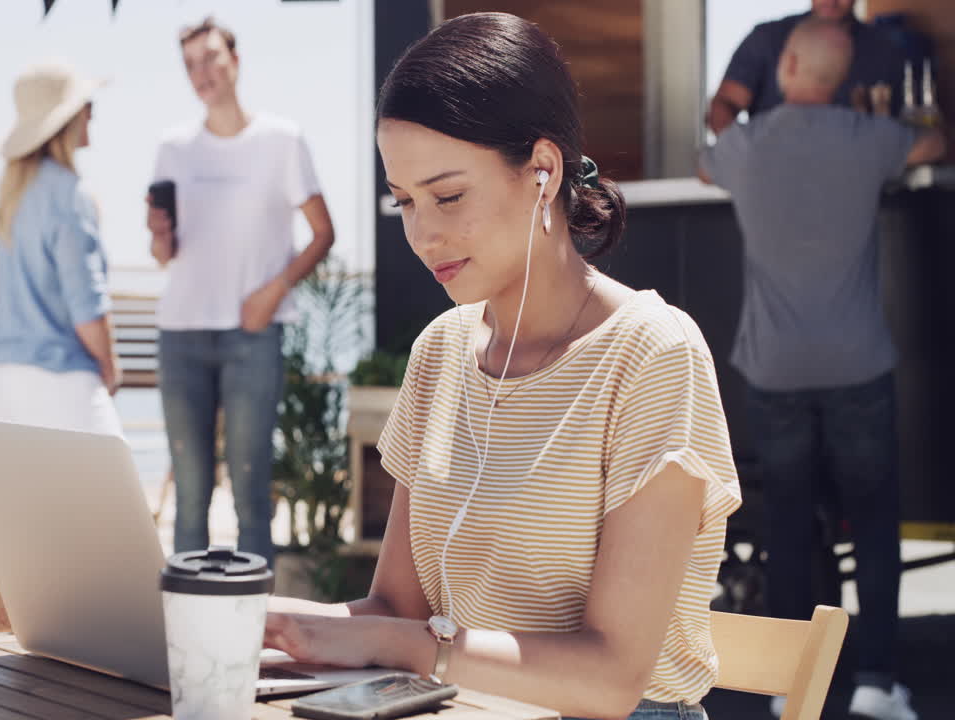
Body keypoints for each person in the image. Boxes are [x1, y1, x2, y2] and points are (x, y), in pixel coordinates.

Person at [265, 13, 741, 720]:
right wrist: (256, 623)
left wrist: (403, 646)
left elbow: (611, 680)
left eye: (448, 196)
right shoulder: (441, 351)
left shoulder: (653, 355)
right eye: (405, 202)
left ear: (543, 171)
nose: (423, 234)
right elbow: (395, 610)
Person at [700, 18, 945, 720]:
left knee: (785, 525)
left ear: (786, 68)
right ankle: (876, 684)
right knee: (873, 522)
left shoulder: (746, 146)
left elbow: (703, 163)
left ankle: (788, 686)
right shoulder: (869, 139)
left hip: (775, 368)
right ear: (841, 79)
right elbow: (934, 145)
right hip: (857, 363)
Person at [146, 17, 335, 565]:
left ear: (235, 59)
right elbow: (164, 255)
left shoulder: (282, 140)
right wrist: (159, 236)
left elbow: (323, 234)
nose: (201, 72)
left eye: (210, 57)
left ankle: (256, 614)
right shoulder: (173, 148)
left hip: (253, 335)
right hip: (181, 335)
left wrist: (273, 292)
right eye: (190, 64)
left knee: (251, 493)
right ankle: (186, 611)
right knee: (191, 496)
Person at [0, 59, 124, 437]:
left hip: (5, 382)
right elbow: (86, 307)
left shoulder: (12, 194)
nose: (91, 114)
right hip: (61, 382)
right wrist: (110, 366)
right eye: (87, 106)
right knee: (113, 478)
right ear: (70, 119)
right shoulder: (70, 195)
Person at [706, 0, 902, 134]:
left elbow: (901, 127)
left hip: (854, 172)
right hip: (774, 169)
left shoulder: (884, 49)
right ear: (790, 63)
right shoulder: (767, 38)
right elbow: (724, 104)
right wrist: (740, 156)